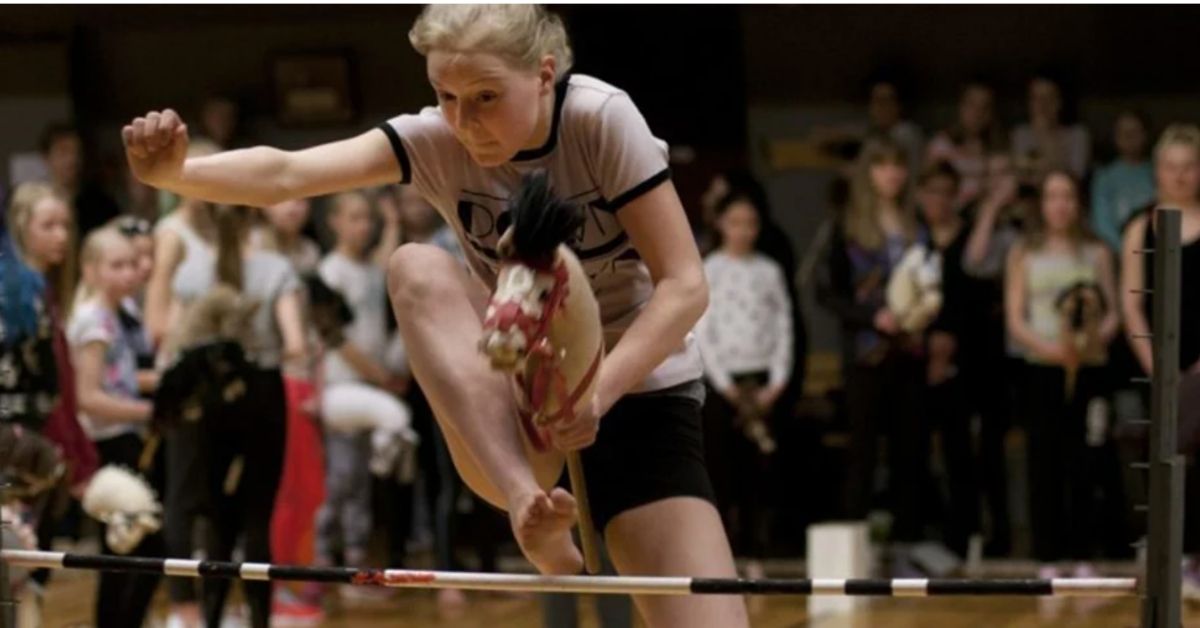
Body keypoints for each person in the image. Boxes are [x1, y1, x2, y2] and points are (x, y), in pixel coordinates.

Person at [121, 5, 746, 626]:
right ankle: (526, 507)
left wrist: (595, 397)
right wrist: (177, 174)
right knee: (415, 265)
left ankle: (552, 504)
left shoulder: (601, 119)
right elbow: (287, 172)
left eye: (484, 97)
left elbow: (686, 285)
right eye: (445, 96)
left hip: (637, 396)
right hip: (515, 411)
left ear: (545, 75)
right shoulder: (433, 140)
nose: (464, 122)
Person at [162, 202, 306, 628]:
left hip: (208, 399)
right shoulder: (276, 267)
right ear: (254, 220)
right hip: (261, 392)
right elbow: (295, 344)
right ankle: (261, 620)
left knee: (216, 518)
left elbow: (174, 344)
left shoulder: (189, 273)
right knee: (257, 515)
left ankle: (210, 617)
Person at [1005, 170, 1119, 578]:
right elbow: (1016, 319)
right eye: (1052, 196)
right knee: (1044, 460)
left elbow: (1114, 311)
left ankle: (1084, 551)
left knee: (1086, 460)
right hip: (1043, 369)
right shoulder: (1024, 252)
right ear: (1042, 203)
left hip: (1089, 370)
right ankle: (1047, 554)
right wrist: (1051, 349)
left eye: (1068, 196)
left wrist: (1091, 342)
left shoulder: (1097, 251)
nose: (1060, 205)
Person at [816, 139, 927, 544]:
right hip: (866, 353)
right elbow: (825, 292)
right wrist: (870, 316)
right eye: (882, 166)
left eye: (898, 166)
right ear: (868, 173)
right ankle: (856, 547)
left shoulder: (918, 223)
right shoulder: (846, 225)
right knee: (862, 452)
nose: (892, 174)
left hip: (910, 351)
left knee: (909, 453)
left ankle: (907, 544)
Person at [67, 227, 163, 628]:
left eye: (131, 264)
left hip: (127, 438)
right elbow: (86, 397)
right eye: (117, 265)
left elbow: (119, 377)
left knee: (133, 553)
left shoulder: (119, 315)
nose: (129, 273)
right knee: (133, 551)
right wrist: (149, 412)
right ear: (90, 270)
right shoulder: (93, 322)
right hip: (107, 444)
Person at [697, 191, 792, 588]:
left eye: (750, 223)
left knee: (759, 473)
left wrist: (778, 378)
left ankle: (756, 551)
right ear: (721, 225)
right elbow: (702, 327)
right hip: (723, 383)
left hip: (761, 378)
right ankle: (725, 555)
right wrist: (722, 383)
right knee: (723, 472)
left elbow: (783, 323)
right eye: (735, 222)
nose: (743, 231)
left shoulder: (769, 270)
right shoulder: (709, 268)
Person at [1120, 125, 1200, 595]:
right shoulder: (1139, 225)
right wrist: (1157, 365)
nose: (1180, 176)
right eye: (1171, 167)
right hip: (1157, 363)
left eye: (1189, 167)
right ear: (1157, 172)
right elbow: (1131, 303)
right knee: (1162, 457)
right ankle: (1172, 552)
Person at [926, 81, 1007, 211]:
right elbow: (929, 188)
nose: (978, 113)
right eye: (972, 105)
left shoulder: (996, 149)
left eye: (984, 107)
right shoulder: (942, 145)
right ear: (961, 107)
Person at [38, 123, 121, 238]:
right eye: (64, 151)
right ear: (45, 157)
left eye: (76, 152)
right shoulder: (37, 204)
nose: (72, 159)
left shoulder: (102, 203)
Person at [1091, 111, 1156, 251]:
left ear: (1145, 135)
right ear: (1114, 137)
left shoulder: (1158, 172)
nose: (1129, 137)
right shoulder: (1105, 177)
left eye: (1134, 131)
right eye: (1123, 132)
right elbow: (1102, 223)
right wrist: (1126, 251)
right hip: (1116, 252)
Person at [1011, 75, 1090, 186]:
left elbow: (1075, 178)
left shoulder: (1077, 134)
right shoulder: (1021, 134)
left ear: (1060, 102)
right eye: (1036, 98)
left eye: (1048, 98)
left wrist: (1045, 134)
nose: (1042, 105)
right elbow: (1021, 176)